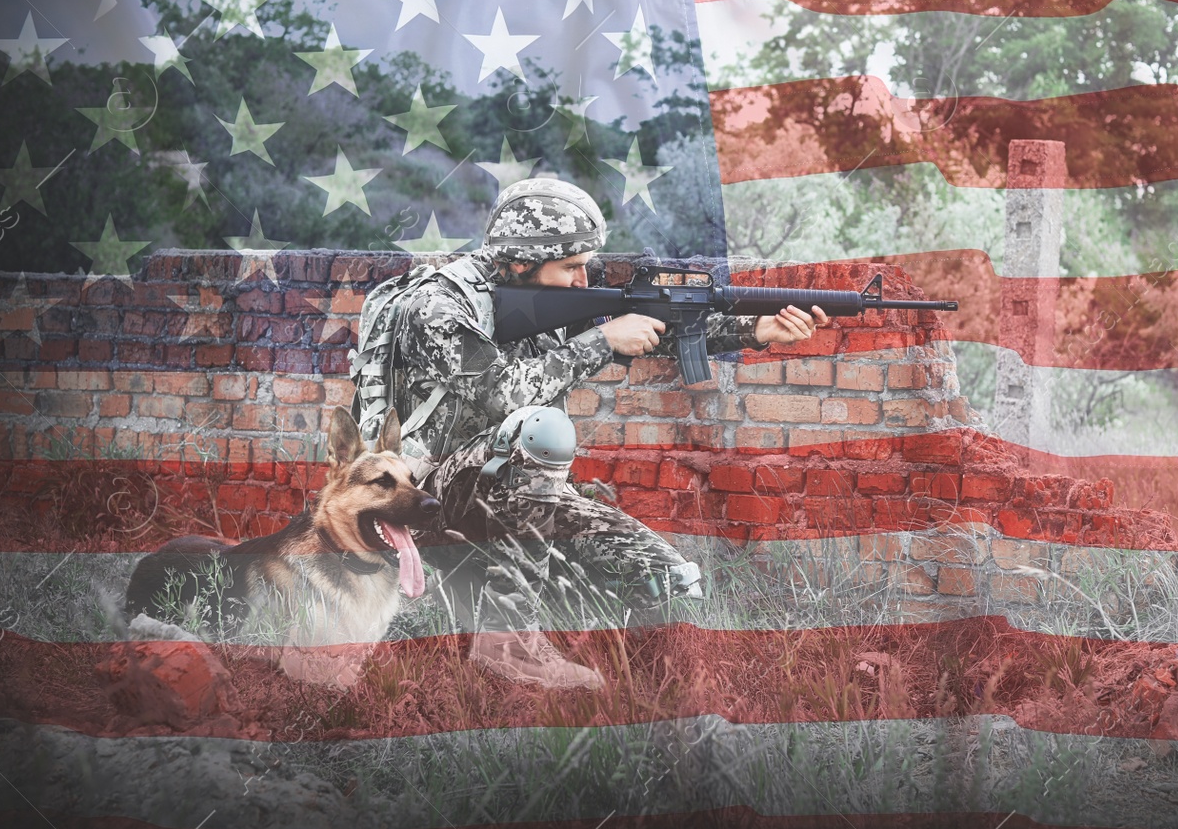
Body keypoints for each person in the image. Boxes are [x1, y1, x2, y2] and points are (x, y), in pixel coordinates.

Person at [351, 177, 830, 688]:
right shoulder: (438, 307)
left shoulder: (545, 290)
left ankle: (662, 692)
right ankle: (508, 645)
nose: (584, 281)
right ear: (520, 263)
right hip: (425, 498)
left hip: (516, 494)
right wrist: (602, 340)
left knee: (664, 576)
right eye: (572, 268)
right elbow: (501, 393)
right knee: (541, 427)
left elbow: (657, 327)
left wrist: (754, 331)